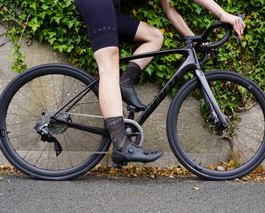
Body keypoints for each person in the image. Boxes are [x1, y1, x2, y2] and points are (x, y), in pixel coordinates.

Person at [73, 0, 245, 164]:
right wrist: (223, 14)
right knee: (109, 65)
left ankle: (124, 82)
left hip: (105, 7)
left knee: (155, 36)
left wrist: (196, 41)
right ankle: (121, 145)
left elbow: (170, 10)